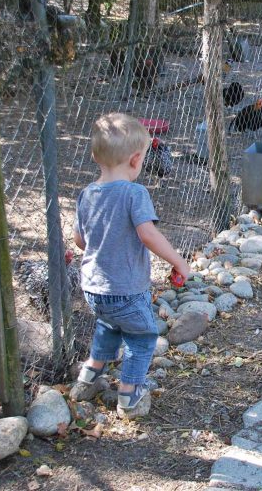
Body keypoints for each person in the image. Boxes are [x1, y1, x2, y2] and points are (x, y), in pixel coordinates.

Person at [71, 113, 190, 416]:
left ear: (95, 155)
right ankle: (129, 395)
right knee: (141, 336)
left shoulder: (86, 194)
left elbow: (80, 241)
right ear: (136, 160)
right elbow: (147, 234)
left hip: (93, 288)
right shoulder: (135, 193)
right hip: (126, 288)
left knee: (108, 325)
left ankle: (87, 380)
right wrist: (179, 262)